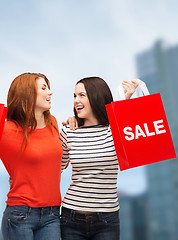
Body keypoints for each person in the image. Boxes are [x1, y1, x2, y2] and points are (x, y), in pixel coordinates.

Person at [0, 73, 63, 240]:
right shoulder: (6, 130)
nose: (50, 92)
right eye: (44, 88)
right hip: (20, 215)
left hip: (52, 214)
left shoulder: (53, 123)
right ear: (27, 93)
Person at [60, 77, 138, 240]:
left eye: (82, 95)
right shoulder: (69, 131)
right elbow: (55, 168)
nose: (76, 101)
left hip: (107, 219)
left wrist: (126, 99)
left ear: (96, 97)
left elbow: (137, 139)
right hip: (71, 217)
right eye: (74, 96)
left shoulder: (116, 130)